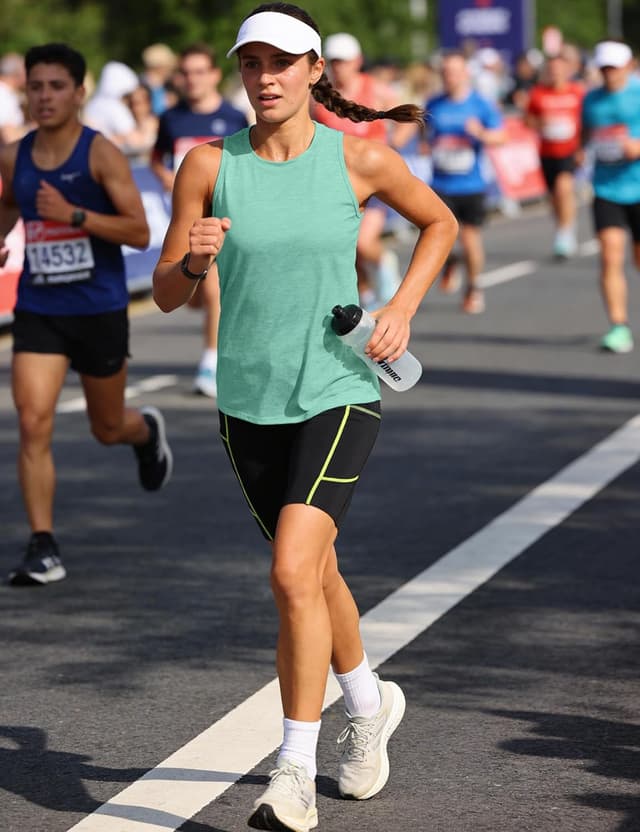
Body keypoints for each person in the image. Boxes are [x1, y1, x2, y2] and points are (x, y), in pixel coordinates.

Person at [152, 4, 457, 831]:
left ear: (315, 69)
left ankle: (291, 769)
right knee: (314, 572)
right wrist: (191, 258)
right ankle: (369, 700)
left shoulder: (359, 159)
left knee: (290, 571)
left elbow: (440, 222)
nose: (266, 77)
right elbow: (167, 296)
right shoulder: (207, 163)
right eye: (252, 63)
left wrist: (401, 305)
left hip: (337, 388)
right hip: (246, 401)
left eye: (283, 62)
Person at [0, 43, 172, 586]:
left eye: (56, 86)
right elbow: (7, 208)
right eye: (36, 86)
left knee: (106, 427)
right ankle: (43, 545)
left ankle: (143, 432)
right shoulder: (13, 156)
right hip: (39, 308)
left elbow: (140, 232)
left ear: (78, 93)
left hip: (98, 308)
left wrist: (74, 214)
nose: (44, 96)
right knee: (33, 422)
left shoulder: (101, 155)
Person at [151, 43, 248, 399]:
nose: (192, 80)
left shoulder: (234, 116)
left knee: (213, 286)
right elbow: (155, 157)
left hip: (224, 216)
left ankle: (211, 359)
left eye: (199, 72)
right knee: (193, 291)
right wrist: (165, 177)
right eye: (186, 73)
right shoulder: (171, 118)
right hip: (186, 215)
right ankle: (213, 339)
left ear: (213, 75)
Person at [312, 32, 417, 309]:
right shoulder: (320, 98)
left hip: (374, 181)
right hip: (337, 182)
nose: (340, 67)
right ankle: (365, 292)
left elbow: (408, 114)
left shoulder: (376, 89)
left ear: (357, 61)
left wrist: (395, 142)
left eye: (344, 61)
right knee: (344, 245)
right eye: (334, 62)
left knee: (362, 241)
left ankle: (384, 262)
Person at [426, 49, 506, 314]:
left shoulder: (481, 104)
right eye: (445, 72)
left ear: (466, 74)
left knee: (470, 239)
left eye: (455, 72)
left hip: (471, 185)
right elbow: (426, 137)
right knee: (439, 236)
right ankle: (451, 262)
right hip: (440, 184)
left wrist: (480, 133)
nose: (450, 77)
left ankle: (473, 287)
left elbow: (501, 136)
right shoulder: (434, 104)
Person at [581, 40, 640, 354]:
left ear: (629, 66)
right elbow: (586, 134)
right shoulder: (591, 100)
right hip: (606, 189)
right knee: (609, 256)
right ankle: (619, 326)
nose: (608, 74)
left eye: (614, 68)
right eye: (603, 68)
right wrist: (581, 151)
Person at [526, 48, 585, 259]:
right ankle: (564, 224)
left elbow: (586, 122)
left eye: (559, 70)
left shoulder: (577, 92)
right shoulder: (538, 94)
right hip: (547, 152)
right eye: (551, 70)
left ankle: (565, 233)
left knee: (564, 188)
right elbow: (527, 121)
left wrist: (582, 148)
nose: (555, 74)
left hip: (570, 150)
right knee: (554, 197)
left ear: (567, 71)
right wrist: (541, 123)